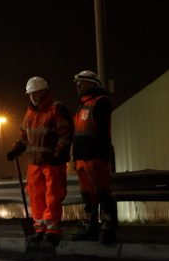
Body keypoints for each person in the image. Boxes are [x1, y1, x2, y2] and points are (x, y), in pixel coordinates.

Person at [6, 76, 73, 247]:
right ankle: (39, 229)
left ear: (44, 92)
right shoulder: (30, 113)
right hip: (35, 164)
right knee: (36, 197)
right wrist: (16, 149)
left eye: (35, 93)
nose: (33, 97)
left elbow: (65, 135)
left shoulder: (56, 109)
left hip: (52, 164)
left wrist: (58, 154)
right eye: (30, 94)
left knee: (52, 197)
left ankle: (52, 230)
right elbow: (24, 137)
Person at [71, 69, 117, 244]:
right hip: (83, 158)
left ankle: (108, 228)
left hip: (95, 157)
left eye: (81, 82)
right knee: (87, 196)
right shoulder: (83, 105)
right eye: (77, 83)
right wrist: (75, 156)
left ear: (92, 84)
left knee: (102, 193)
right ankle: (90, 227)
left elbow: (102, 133)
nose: (78, 86)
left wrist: (101, 153)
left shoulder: (100, 103)